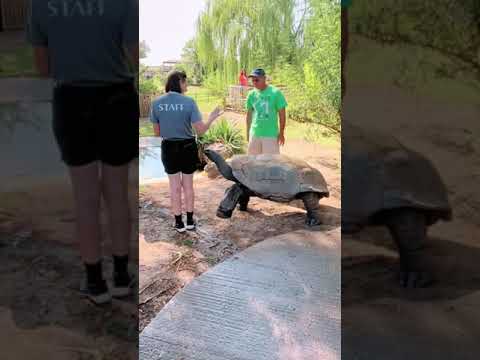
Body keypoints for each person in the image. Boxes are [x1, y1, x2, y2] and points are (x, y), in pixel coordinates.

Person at [27, 0, 139, 304]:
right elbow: (134, 56)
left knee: (85, 197)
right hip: (116, 99)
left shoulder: (40, 4)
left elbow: (43, 68)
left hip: (72, 100)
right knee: (117, 193)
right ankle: (120, 277)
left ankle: (94, 282)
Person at [150, 70, 223, 233]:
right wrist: (211, 117)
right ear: (180, 82)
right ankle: (190, 221)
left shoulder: (156, 103)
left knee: (174, 187)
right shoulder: (189, 102)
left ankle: (178, 223)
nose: (187, 85)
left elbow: (157, 133)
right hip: (188, 147)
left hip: (169, 147)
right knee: (188, 186)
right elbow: (201, 131)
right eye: (186, 82)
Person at [245, 68, 287, 155]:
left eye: (257, 80)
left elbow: (282, 114)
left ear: (264, 78)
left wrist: (281, 132)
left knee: (271, 164)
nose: (254, 83)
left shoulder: (276, 93)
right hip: (255, 134)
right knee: (253, 162)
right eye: (253, 81)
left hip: (270, 135)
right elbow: (249, 115)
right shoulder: (251, 94)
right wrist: (248, 133)